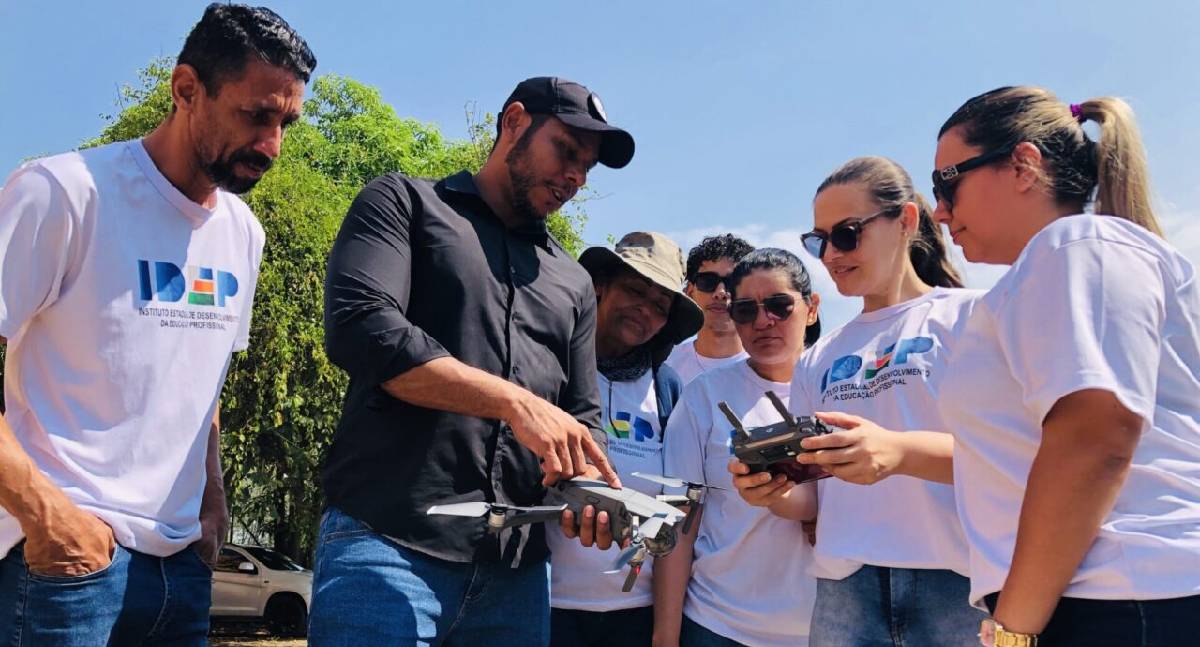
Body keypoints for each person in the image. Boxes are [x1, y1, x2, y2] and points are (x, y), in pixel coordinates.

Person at [0, 4, 315, 644]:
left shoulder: (242, 233)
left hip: (184, 570)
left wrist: (214, 497)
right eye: (256, 115)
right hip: (67, 566)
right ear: (186, 89)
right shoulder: (65, 192)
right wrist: (47, 515)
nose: (271, 145)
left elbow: (201, 381)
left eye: (286, 122)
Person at [312, 76, 632, 646]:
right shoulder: (405, 202)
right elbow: (363, 329)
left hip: (518, 577)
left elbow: (582, 420)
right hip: (387, 546)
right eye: (566, 150)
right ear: (513, 123)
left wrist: (590, 491)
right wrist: (513, 401)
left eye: (587, 167)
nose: (576, 177)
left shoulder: (575, 283)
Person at [920, 86, 1200, 646]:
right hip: (1116, 596)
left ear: (1024, 165)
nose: (939, 211)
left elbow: (1095, 437)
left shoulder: (1074, 245)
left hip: (1121, 602)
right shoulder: (1058, 264)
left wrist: (1013, 631)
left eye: (947, 182)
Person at [773, 156, 986, 645]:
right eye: (817, 239)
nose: (828, 254)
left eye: (846, 233)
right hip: (845, 586)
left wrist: (898, 452)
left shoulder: (973, 317)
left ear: (906, 221)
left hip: (959, 582)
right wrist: (774, 493)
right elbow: (816, 494)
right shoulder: (818, 355)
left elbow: (1018, 457)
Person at [655, 248, 821, 647]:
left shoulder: (841, 387)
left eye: (780, 305)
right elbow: (678, 520)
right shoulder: (702, 396)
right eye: (746, 310)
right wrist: (665, 636)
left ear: (811, 308)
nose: (764, 321)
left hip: (830, 626)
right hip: (718, 624)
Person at [549, 232, 703, 646]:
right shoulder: (551, 364)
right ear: (599, 286)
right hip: (544, 603)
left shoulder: (666, 386)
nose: (645, 310)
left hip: (634, 612)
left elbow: (680, 506)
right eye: (635, 291)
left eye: (660, 306)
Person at [665, 235, 755, 384]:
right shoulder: (665, 367)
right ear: (689, 292)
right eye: (707, 281)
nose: (720, 293)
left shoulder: (770, 370)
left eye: (733, 283)